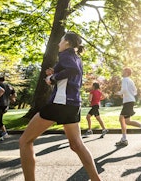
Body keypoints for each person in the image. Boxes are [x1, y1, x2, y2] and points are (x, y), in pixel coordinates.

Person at [19, 32, 102, 181]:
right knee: (76, 145)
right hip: (73, 104)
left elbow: (72, 71)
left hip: (59, 104)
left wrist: (53, 78)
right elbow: (70, 72)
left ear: (68, 43)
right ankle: (96, 179)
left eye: (61, 40)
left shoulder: (65, 54)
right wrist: (54, 72)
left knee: (25, 141)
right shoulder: (77, 58)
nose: (58, 44)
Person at [115, 67, 141, 146]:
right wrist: (127, 94)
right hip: (130, 101)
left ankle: (125, 139)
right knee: (126, 121)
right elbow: (135, 92)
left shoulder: (124, 79)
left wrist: (119, 93)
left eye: (123, 71)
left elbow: (124, 90)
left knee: (122, 119)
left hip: (128, 102)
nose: (122, 72)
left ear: (127, 73)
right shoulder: (130, 80)